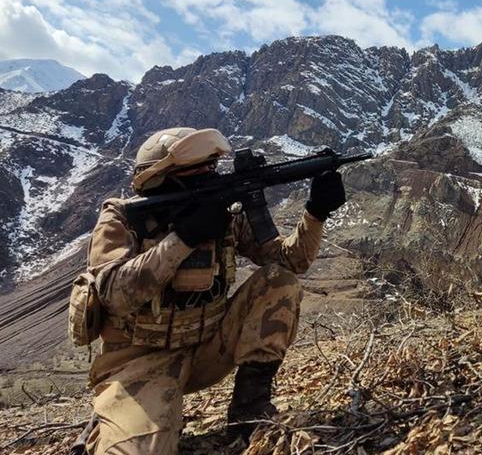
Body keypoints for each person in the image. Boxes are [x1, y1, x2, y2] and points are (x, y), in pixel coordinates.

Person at [81, 127, 345, 454]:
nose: (208, 174)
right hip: (138, 361)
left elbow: (290, 262)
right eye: (196, 170)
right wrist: (183, 239)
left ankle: (250, 411)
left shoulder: (225, 217)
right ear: (161, 178)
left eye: (211, 167)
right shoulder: (121, 217)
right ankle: (108, 421)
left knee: (278, 280)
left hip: (207, 348)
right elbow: (114, 294)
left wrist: (316, 213)